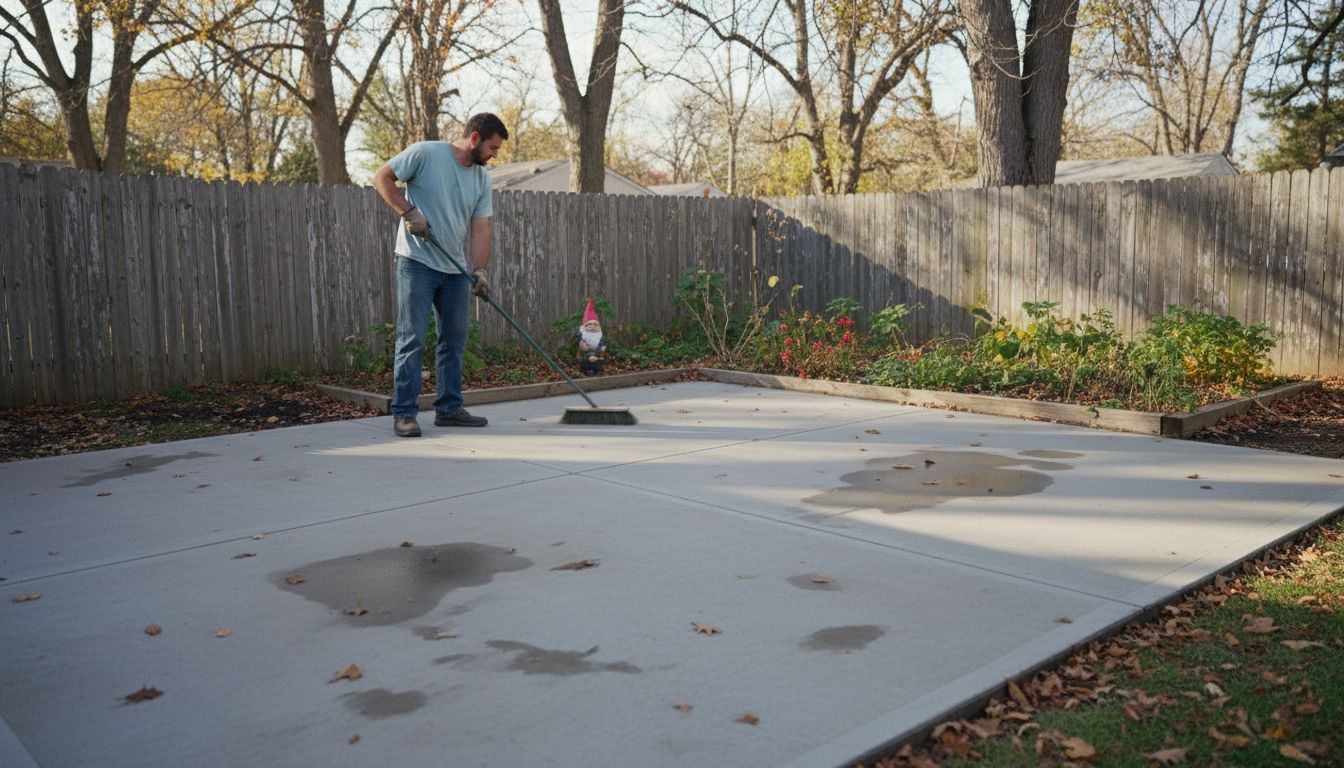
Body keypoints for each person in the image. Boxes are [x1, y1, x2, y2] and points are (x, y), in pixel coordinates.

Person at [371, 113, 508, 437]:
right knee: (412, 339)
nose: (495, 154)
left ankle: (448, 409)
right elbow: (381, 178)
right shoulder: (425, 153)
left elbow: (480, 228)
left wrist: (479, 270)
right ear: (474, 138)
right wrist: (409, 211)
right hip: (416, 262)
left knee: (454, 341)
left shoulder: (481, 179)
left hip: (455, 270)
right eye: (492, 147)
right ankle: (404, 413)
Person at [575, 298, 607, 375]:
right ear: (585, 326)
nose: (592, 326)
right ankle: (584, 371)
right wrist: (582, 346)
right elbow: (579, 344)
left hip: (596, 355)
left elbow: (602, 348)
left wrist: (596, 356)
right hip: (585, 355)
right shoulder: (582, 334)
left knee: (597, 363)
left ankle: (598, 371)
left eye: (595, 324)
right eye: (590, 324)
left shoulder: (600, 336)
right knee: (583, 362)